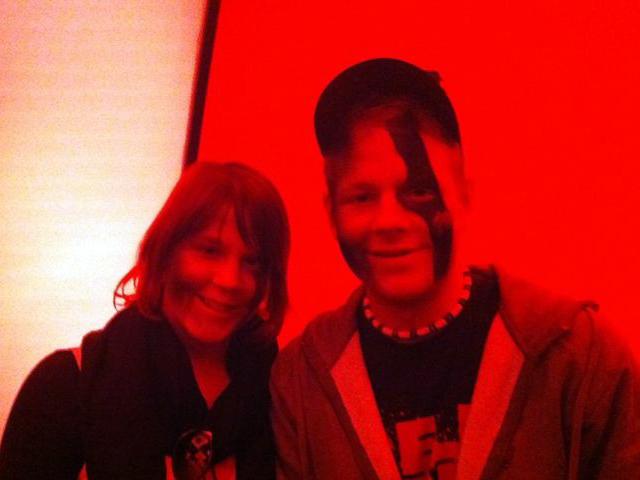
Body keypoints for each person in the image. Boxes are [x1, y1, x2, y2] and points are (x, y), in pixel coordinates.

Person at [270, 58, 640, 479]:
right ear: (332, 213)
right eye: (362, 197)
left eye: (420, 190)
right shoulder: (301, 380)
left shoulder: (578, 356)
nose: (389, 221)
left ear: (463, 192)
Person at [0, 161, 290, 479]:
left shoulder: (282, 391)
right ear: (165, 251)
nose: (230, 280)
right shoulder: (64, 386)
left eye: (253, 262)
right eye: (209, 250)